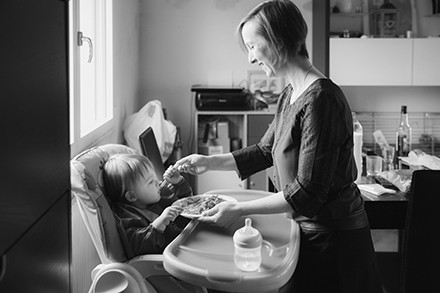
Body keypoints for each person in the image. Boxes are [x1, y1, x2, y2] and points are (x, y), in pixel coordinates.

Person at [175, 1, 383, 292]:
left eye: (252, 46)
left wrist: (238, 209)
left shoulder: (321, 100)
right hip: (307, 232)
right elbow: (264, 151)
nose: (249, 58)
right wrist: (208, 162)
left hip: (334, 242)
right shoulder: (290, 94)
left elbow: (308, 193)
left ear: (277, 40)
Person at [102, 153, 190, 257]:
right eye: (150, 182)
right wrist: (159, 223)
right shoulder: (127, 218)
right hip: (174, 257)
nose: (158, 182)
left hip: (188, 240)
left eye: (155, 178)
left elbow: (187, 205)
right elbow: (138, 245)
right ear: (131, 196)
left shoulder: (155, 197)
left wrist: (178, 183)